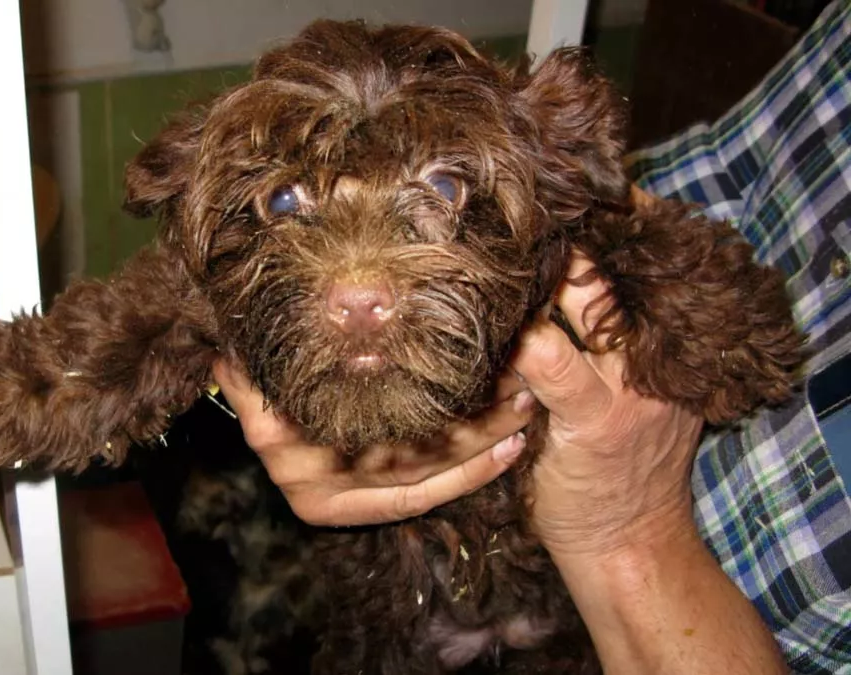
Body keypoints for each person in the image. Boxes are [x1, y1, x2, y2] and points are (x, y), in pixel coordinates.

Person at [211, 1, 851, 672]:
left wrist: (628, 531)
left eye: (442, 185)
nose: (359, 279)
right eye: (290, 201)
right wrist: (249, 375)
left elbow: (743, 334)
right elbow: (693, 182)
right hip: (398, 591)